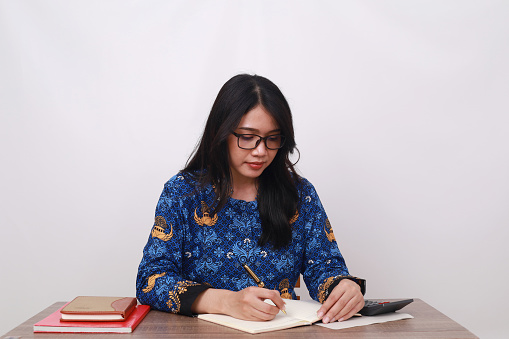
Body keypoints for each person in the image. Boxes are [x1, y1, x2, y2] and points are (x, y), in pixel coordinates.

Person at [136, 74, 365, 324]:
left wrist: (344, 288)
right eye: (247, 137)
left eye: (272, 138)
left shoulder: (299, 194)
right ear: (221, 132)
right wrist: (226, 302)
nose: (261, 151)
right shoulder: (183, 193)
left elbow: (325, 267)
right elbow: (151, 281)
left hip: (282, 330)